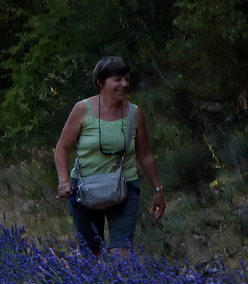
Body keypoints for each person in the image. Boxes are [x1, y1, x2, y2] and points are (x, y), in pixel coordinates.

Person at [52, 56, 165, 256]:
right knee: (91, 254)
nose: (124, 84)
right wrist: (63, 181)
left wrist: (158, 189)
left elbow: (145, 155)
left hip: (125, 188)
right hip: (85, 189)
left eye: (127, 79)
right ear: (100, 82)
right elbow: (62, 148)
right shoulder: (82, 109)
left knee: (122, 253)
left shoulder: (135, 113)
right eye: (118, 79)